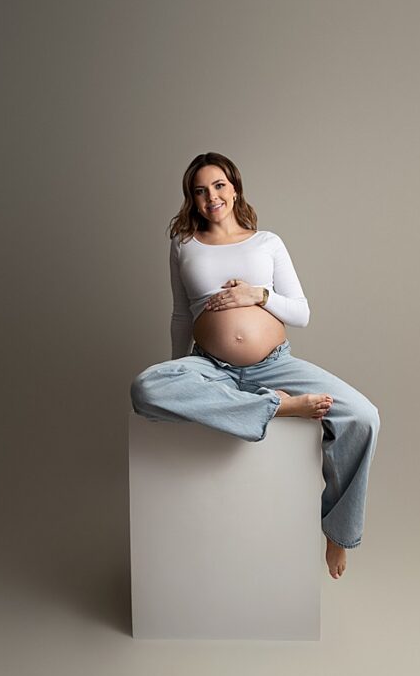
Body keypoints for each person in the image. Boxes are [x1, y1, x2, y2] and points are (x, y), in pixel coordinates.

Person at [130, 151, 379, 580]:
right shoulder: (183, 245)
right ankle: (276, 408)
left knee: (364, 415)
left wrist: (257, 296)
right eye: (200, 190)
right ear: (192, 199)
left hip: (274, 367)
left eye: (219, 185)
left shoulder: (268, 242)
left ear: (235, 186)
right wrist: (184, 377)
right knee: (146, 389)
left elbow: (301, 312)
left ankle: (338, 532)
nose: (212, 197)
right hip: (210, 367)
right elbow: (180, 316)